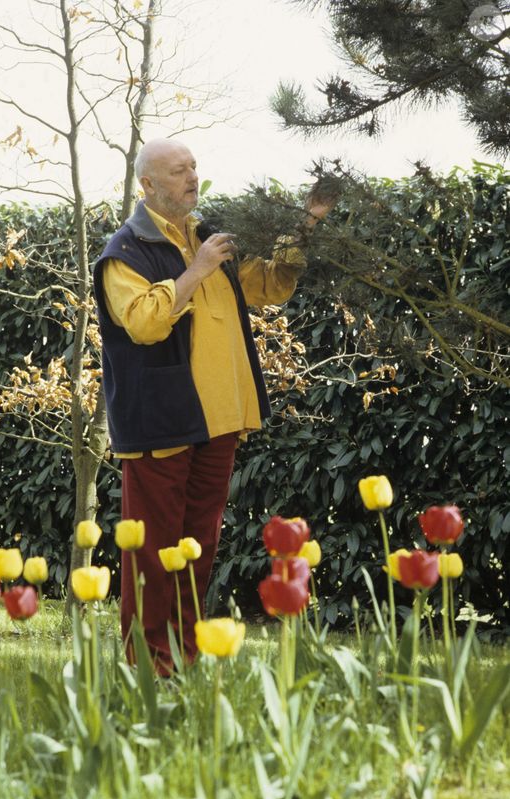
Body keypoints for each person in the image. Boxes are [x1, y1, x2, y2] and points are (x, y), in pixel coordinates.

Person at [93, 138, 334, 672]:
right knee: (154, 552)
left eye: (194, 167)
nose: (192, 177)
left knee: (197, 547)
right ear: (148, 185)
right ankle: (147, 665)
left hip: (220, 417)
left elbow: (268, 285)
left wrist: (306, 224)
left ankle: (185, 655)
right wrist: (197, 268)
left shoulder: (209, 238)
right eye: (178, 171)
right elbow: (143, 323)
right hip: (160, 421)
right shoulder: (125, 250)